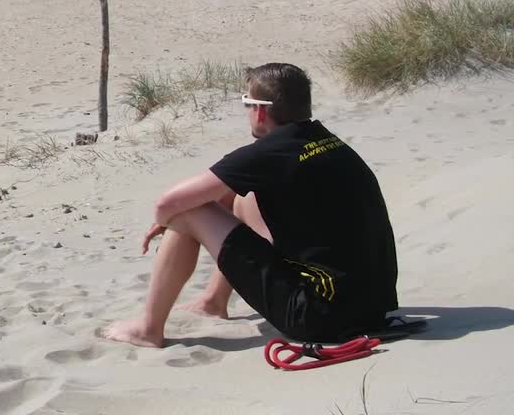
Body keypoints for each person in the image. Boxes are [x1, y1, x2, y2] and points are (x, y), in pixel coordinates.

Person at [104, 63, 398, 347]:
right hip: (371, 309)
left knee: (189, 212)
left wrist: (168, 219)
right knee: (241, 197)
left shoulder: (269, 154)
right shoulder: (326, 141)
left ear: (259, 110)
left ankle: (148, 329)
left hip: (318, 317)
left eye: (246, 103)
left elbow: (167, 203)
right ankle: (213, 301)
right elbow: (220, 195)